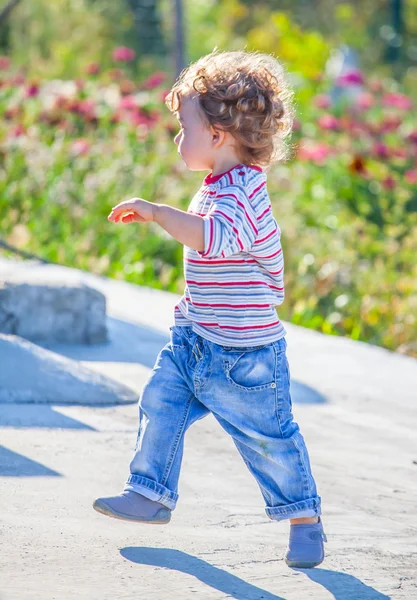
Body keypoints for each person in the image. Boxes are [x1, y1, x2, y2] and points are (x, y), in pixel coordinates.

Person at [93, 49, 327, 568]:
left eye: (184, 127)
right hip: (196, 340)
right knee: (161, 405)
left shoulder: (246, 192)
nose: (178, 138)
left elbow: (211, 240)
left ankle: (304, 517)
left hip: (246, 357)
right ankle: (150, 493)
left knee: (268, 441)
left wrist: (156, 213)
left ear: (217, 135)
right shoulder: (217, 185)